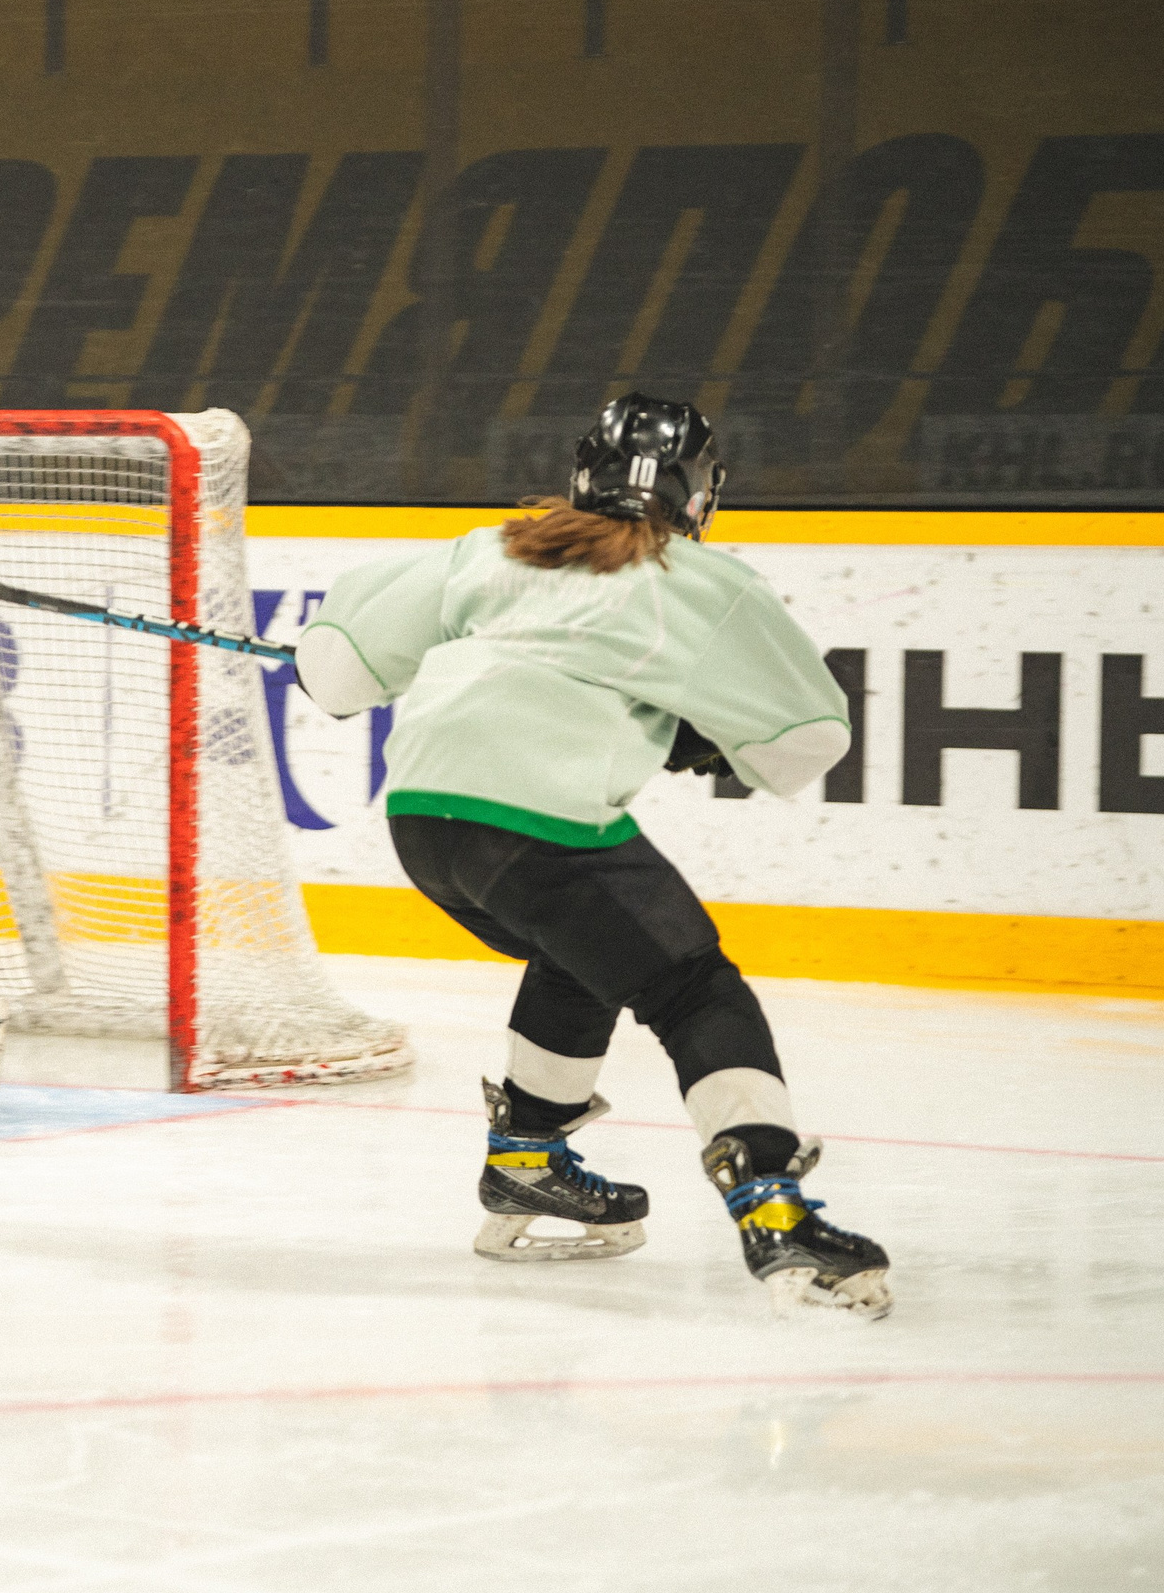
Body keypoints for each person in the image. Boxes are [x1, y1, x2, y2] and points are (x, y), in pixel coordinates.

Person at [292, 393, 892, 1319]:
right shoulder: (703, 581)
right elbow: (805, 743)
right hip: (538, 825)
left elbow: (333, 673)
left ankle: (528, 1161)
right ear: (701, 496)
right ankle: (773, 1208)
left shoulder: (493, 549)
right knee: (695, 992)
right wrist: (704, 733)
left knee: (583, 952)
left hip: (424, 822)